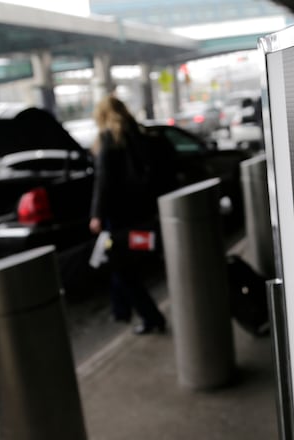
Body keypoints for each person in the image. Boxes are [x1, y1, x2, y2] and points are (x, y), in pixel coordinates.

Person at [89, 96, 167, 335]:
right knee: (124, 261)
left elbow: (104, 180)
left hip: (118, 216)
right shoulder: (138, 133)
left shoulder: (109, 138)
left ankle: (150, 317)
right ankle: (121, 309)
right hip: (141, 211)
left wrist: (96, 214)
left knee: (121, 267)